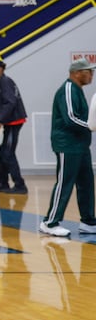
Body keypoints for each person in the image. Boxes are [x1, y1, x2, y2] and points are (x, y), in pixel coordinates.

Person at [38, 59, 96, 237]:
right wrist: (91, 126)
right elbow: (70, 118)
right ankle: (50, 222)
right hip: (68, 145)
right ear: (77, 72)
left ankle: (88, 221)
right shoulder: (69, 89)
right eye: (89, 71)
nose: (92, 75)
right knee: (65, 183)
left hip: (80, 145)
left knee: (87, 182)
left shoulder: (78, 90)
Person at [0, 60, 27, 194]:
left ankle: (20, 185)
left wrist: (0, 120)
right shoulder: (4, 81)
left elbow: (10, 102)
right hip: (11, 121)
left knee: (8, 153)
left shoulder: (5, 82)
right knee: (4, 151)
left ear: (0, 69)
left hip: (13, 122)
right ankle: (2, 182)